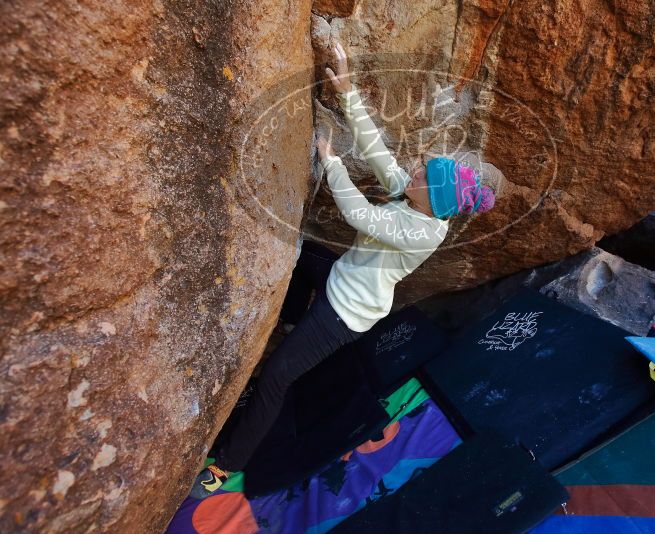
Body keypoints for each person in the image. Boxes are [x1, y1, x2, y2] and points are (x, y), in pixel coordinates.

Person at [190, 40, 497, 499]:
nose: (412, 171)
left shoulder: (423, 230)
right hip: (340, 277)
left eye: (421, 176)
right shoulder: (414, 196)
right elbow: (378, 151)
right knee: (303, 252)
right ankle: (289, 319)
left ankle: (227, 465)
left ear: (433, 200)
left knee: (277, 377)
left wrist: (331, 163)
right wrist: (349, 89)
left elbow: (362, 217)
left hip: (343, 314)